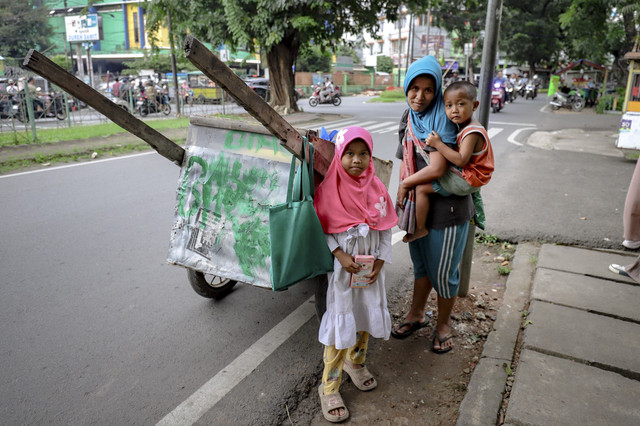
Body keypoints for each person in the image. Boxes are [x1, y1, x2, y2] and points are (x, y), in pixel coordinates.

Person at [313, 126, 398, 422]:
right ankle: (330, 385)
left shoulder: (377, 189)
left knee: (364, 320)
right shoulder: (329, 190)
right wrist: (340, 254)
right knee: (341, 323)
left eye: (363, 154)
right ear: (340, 154)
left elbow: (386, 228)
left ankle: (356, 362)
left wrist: (380, 262)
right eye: (349, 153)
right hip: (343, 272)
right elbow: (323, 229)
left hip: (370, 271)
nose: (356, 160)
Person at [393, 55, 475, 354]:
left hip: (449, 208)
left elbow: (439, 168)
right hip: (420, 202)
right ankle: (416, 315)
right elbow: (407, 160)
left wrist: (404, 185)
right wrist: (405, 193)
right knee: (422, 265)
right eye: (414, 88)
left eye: (428, 89)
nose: (420, 96)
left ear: (437, 89)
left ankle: (443, 325)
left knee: (444, 272)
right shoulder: (409, 117)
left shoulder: (442, 117)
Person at [403, 81, 494, 243]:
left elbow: (461, 159)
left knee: (421, 189)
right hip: (472, 177)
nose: (454, 110)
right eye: (449, 106)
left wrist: (438, 144)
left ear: (475, 105)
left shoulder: (471, 131)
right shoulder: (464, 126)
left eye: (460, 104)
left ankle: (421, 228)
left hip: (468, 179)